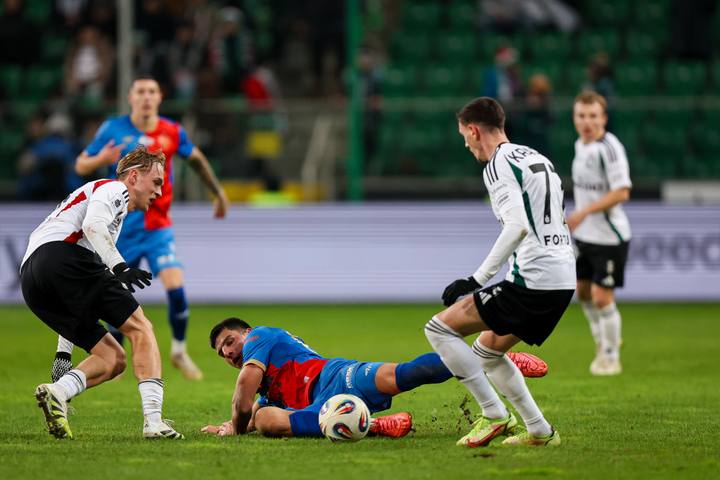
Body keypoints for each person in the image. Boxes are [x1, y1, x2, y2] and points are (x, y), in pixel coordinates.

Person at [52, 76, 230, 383]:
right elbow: (81, 165)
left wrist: (218, 193)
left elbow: (197, 160)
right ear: (130, 97)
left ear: (159, 98)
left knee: (176, 287)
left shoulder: (172, 131)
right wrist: (101, 159)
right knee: (117, 292)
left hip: (158, 227)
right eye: (141, 92)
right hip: (120, 228)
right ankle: (115, 354)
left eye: (152, 91)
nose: (146, 97)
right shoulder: (112, 129)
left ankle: (179, 350)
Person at [425, 97, 575, 447]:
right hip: (562, 277)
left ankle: (493, 414)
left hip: (533, 280)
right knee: (487, 352)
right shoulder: (536, 157)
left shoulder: (497, 164)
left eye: (464, 135)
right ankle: (539, 431)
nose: (466, 144)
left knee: (439, 329)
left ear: (474, 131)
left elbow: (517, 226)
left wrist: (476, 280)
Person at [22, 146, 183, 440]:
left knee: (113, 358)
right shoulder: (114, 189)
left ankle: (58, 391)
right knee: (141, 328)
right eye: (156, 182)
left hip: (33, 279)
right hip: (64, 258)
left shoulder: (98, 201)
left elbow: (71, 286)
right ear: (133, 177)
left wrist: (63, 351)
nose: (159, 192)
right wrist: (121, 268)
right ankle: (154, 422)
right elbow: (92, 226)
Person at [200, 317, 546, 439]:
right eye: (221, 353)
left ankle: (485, 357)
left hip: (335, 377)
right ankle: (374, 425)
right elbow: (249, 414)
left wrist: (238, 423)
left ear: (246, 333)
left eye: (229, 342)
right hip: (322, 408)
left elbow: (241, 399)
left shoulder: (260, 337)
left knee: (405, 374)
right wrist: (230, 427)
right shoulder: (267, 385)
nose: (228, 353)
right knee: (266, 419)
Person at [566, 91, 631, 376]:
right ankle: (602, 340)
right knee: (582, 293)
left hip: (609, 236)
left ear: (603, 118)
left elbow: (622, 192)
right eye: (581, 116)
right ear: (574, 119)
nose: (587, 122)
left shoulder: (610, 149)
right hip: (585, 236)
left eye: (593, 116)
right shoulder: (580, 145)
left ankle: (611, 356)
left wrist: (583, 212)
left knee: (602, 297)